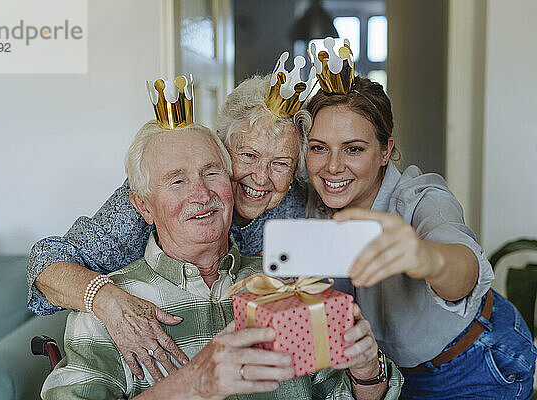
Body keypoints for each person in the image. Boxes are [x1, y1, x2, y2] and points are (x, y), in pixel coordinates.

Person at [41, 120, 402, 400]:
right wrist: (195, 383)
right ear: (143, 206)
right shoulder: (110, 311)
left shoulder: (285, 284)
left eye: (211, 173)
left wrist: (368, 371)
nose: (201, 194)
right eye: (177, 181)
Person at [27, 75, 308, 381]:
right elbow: (47, 263)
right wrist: (109, 300)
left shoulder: (295, 202)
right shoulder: (151, 197)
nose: (261, 177)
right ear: (221, 149)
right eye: (248, 156)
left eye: (280, 163)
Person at [299, 74, 537, 399]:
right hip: (388, 378)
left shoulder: (421, 198)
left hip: (474, 363)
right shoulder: (310, 203)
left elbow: (464, 268)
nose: (333, 166)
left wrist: (425, 257)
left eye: (353, 149)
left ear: (385, 151)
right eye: (319, 148)